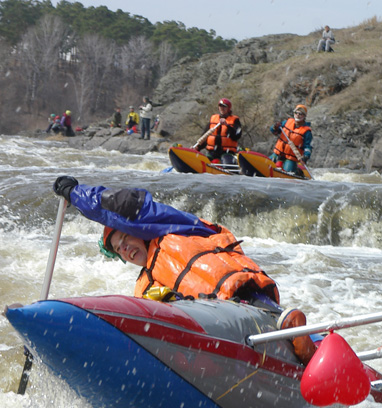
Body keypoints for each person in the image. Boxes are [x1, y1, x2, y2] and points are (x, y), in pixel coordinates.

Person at [51, 175, 317, 363]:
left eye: (126, 238)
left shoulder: (175, 228)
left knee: (257, 314)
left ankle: (296, 333)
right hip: (214, 328)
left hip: (244, 301)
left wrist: (77, 195)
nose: (125, 249)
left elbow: (124, 207)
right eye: (119, 249)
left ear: (138, 233)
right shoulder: (146, 284)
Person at [194, 98, 242, 165]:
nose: (222, 108)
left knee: (227, 164)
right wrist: (198, 147)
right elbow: (205, 136)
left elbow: (237, 135)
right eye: (220, 106)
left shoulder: (235, 121)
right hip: (213, 152)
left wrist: (227, 126)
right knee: (203, 162)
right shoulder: (213, 119)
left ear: (228, 108)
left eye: (224, 106)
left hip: (227, 152)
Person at [269, 104, 312, 174]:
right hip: (278, 154)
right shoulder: (287, 122)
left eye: (300, 114)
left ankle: (298, 171)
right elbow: (274, 131)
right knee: (270, 162)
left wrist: (306, 156)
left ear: (304, 116)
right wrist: (274, 127)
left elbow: (307, 146)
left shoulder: (306, 131)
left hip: (291, 158)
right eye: (296, 113)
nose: (298, 115)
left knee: (288, 171)